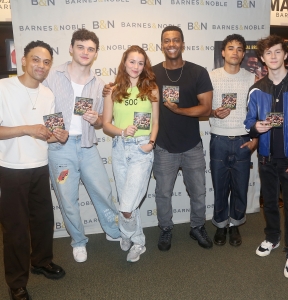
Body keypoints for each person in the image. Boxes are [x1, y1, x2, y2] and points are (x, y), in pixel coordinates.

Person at [43, 28, 120, 263]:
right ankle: (78, 241)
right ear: (71, 48)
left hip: (87, 146)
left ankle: (113, 230)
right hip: (60, 149)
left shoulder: (99, 84)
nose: (85, 52)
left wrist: (95, 118)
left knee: (103, 192)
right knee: (67, 198)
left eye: (91, 49)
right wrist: (52, 131)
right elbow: (40, 108)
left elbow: (100, 122)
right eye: (81, 47)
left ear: (95, 54)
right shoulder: (51, 76)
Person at [0, 41, 67, 300]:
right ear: (23, 60)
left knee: (43, 222)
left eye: (47, 61)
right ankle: (16, 283)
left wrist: (57, 135)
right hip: (11, 169)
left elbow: (48, 134)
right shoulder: (4, 88)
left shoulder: (48, 94)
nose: (41, 65)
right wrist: (27, 128)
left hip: (39, 166)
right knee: (15, 230)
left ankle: (41, 261)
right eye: (36, 59)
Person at [152, 26, 213, 251]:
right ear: (162, 45)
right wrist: (111, 90)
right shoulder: (152, 72)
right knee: (163, 193)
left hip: (192, 146)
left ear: (183, 44)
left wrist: (179, 111)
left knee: (198, 191)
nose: (171, 44)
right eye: (167, 40)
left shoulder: (197, 72)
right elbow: (131, 91)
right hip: (164, 146)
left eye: (175, 40)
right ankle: (166, 229)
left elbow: (206, 109)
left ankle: (197, 226)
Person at [244, 35, 288, 279]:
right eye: (269, 53)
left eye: (278, 52)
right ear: (263, 59)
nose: (274, 57)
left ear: (285, 54)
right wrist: (257, 126)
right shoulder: (256, 89)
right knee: (269, 202)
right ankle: (272, 238)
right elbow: (249, 122)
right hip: (266, 159)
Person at [103, 45, 159, 262]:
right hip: (119, 147)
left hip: (142, 149)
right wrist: (122, 131)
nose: (136, 66)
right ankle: (137, 240)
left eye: (140, 62)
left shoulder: (152, 89)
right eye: (132, 61)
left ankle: (126, 234)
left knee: (126, 206)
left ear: (145, 66)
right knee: (127, 199)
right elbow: (106, 125)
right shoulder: (113, 90)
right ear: (124, 62)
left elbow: (156, 122)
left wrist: (151, 143)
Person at [209, 34, 257, 247]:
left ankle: (235, 223)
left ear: (244, 54)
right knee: (219, 187)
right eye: (230, 48)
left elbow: (257, 111)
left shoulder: (251, 78)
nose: (234, 52)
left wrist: (255, 138)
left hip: (243, 140)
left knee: (239, 187)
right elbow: (201, 106)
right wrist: (213, 112)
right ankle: (220, 225)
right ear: (223, 52)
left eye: (239, 49)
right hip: (219, 138)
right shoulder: (211, 76)